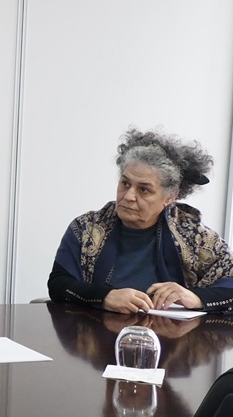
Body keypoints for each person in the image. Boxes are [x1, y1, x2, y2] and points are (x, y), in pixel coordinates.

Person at [48, 128, 233, 313]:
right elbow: (58, 283)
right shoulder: (86, 228)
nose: (128, 196)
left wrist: (196, 297)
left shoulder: (195, 236)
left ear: (170, 197)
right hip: (97, 328)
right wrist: (104, 296)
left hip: (169, 331)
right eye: (125, 183)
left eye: (143, 190)